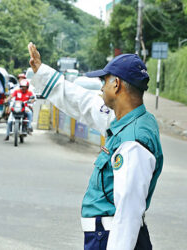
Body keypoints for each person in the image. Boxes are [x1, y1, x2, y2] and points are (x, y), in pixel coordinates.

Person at [28, 42, 163, 250]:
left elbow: (128, 211)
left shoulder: (133, 142)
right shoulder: (128, 119)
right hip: (105, 234)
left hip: (110, 237)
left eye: (104, 81)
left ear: (116, 84)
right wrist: (42, 72)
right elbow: (84, 103)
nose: (101, 87)